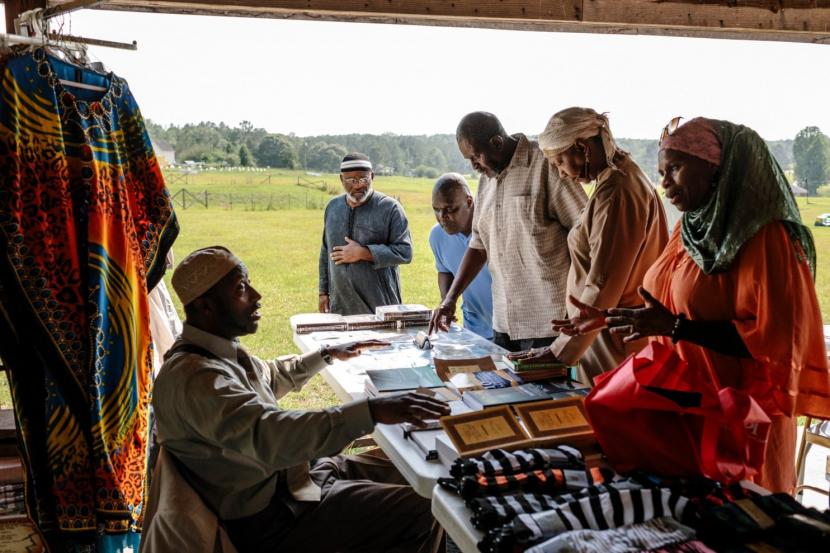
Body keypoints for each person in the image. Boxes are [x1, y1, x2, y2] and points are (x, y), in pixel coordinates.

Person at [153, 246, 449, 552]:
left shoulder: (215, 353)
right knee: (426, 508)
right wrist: (372, 411)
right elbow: (273, 433)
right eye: (241, 289)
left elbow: (268, 376)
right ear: (205, 307)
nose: (256, 295)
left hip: (296, 480)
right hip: (276, 518)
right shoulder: (196, 379)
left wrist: (327, 354)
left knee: (420, 479)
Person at [601, 117, 830, 493]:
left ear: (716, 166)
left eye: (675, 168)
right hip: (687, 412)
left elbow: (775, 340)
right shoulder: (689, 228)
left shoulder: (766, 236)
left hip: (741, 425)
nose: (665, 184)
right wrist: (613, 317)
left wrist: (676, 329)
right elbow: (672, 304)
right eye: (661, 172)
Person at [508, 108, 668, 383]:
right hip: (601, 338)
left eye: (560, 162)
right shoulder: (616, 181)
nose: (561, 173)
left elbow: (603, 286)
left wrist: (559, 352)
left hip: (613, 344)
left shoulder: (618, 191)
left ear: (582, 148)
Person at [429, 112, 587, 351]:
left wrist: (584, 303)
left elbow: (585, 233)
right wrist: (451, 299)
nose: (473, 166)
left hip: (549, 323)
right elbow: (479, 245)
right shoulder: (486, 180)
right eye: (468, 159)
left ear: (496, 143)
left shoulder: (546, 164)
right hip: (503, 324)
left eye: (475, 156)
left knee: (554, 389)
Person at [319, 152, 413, 315]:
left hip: (381, 307)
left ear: (372, 176)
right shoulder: (332, 208)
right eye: (351, 180)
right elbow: (325, 253)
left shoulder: (390, 208)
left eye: (363, 179)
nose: (357, 186)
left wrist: (363, 253)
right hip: (341, 306)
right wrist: (323, 292)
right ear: (341, 179)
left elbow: (405, 252)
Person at [429, 173, 494, 340]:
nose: (442, 217)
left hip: (508, 328)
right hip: (475, 328)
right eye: (436, 209)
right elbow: (445, 270)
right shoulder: (437, 235)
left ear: (469, 202)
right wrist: (447, 301)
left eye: (450, 209)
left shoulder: (492, 229)